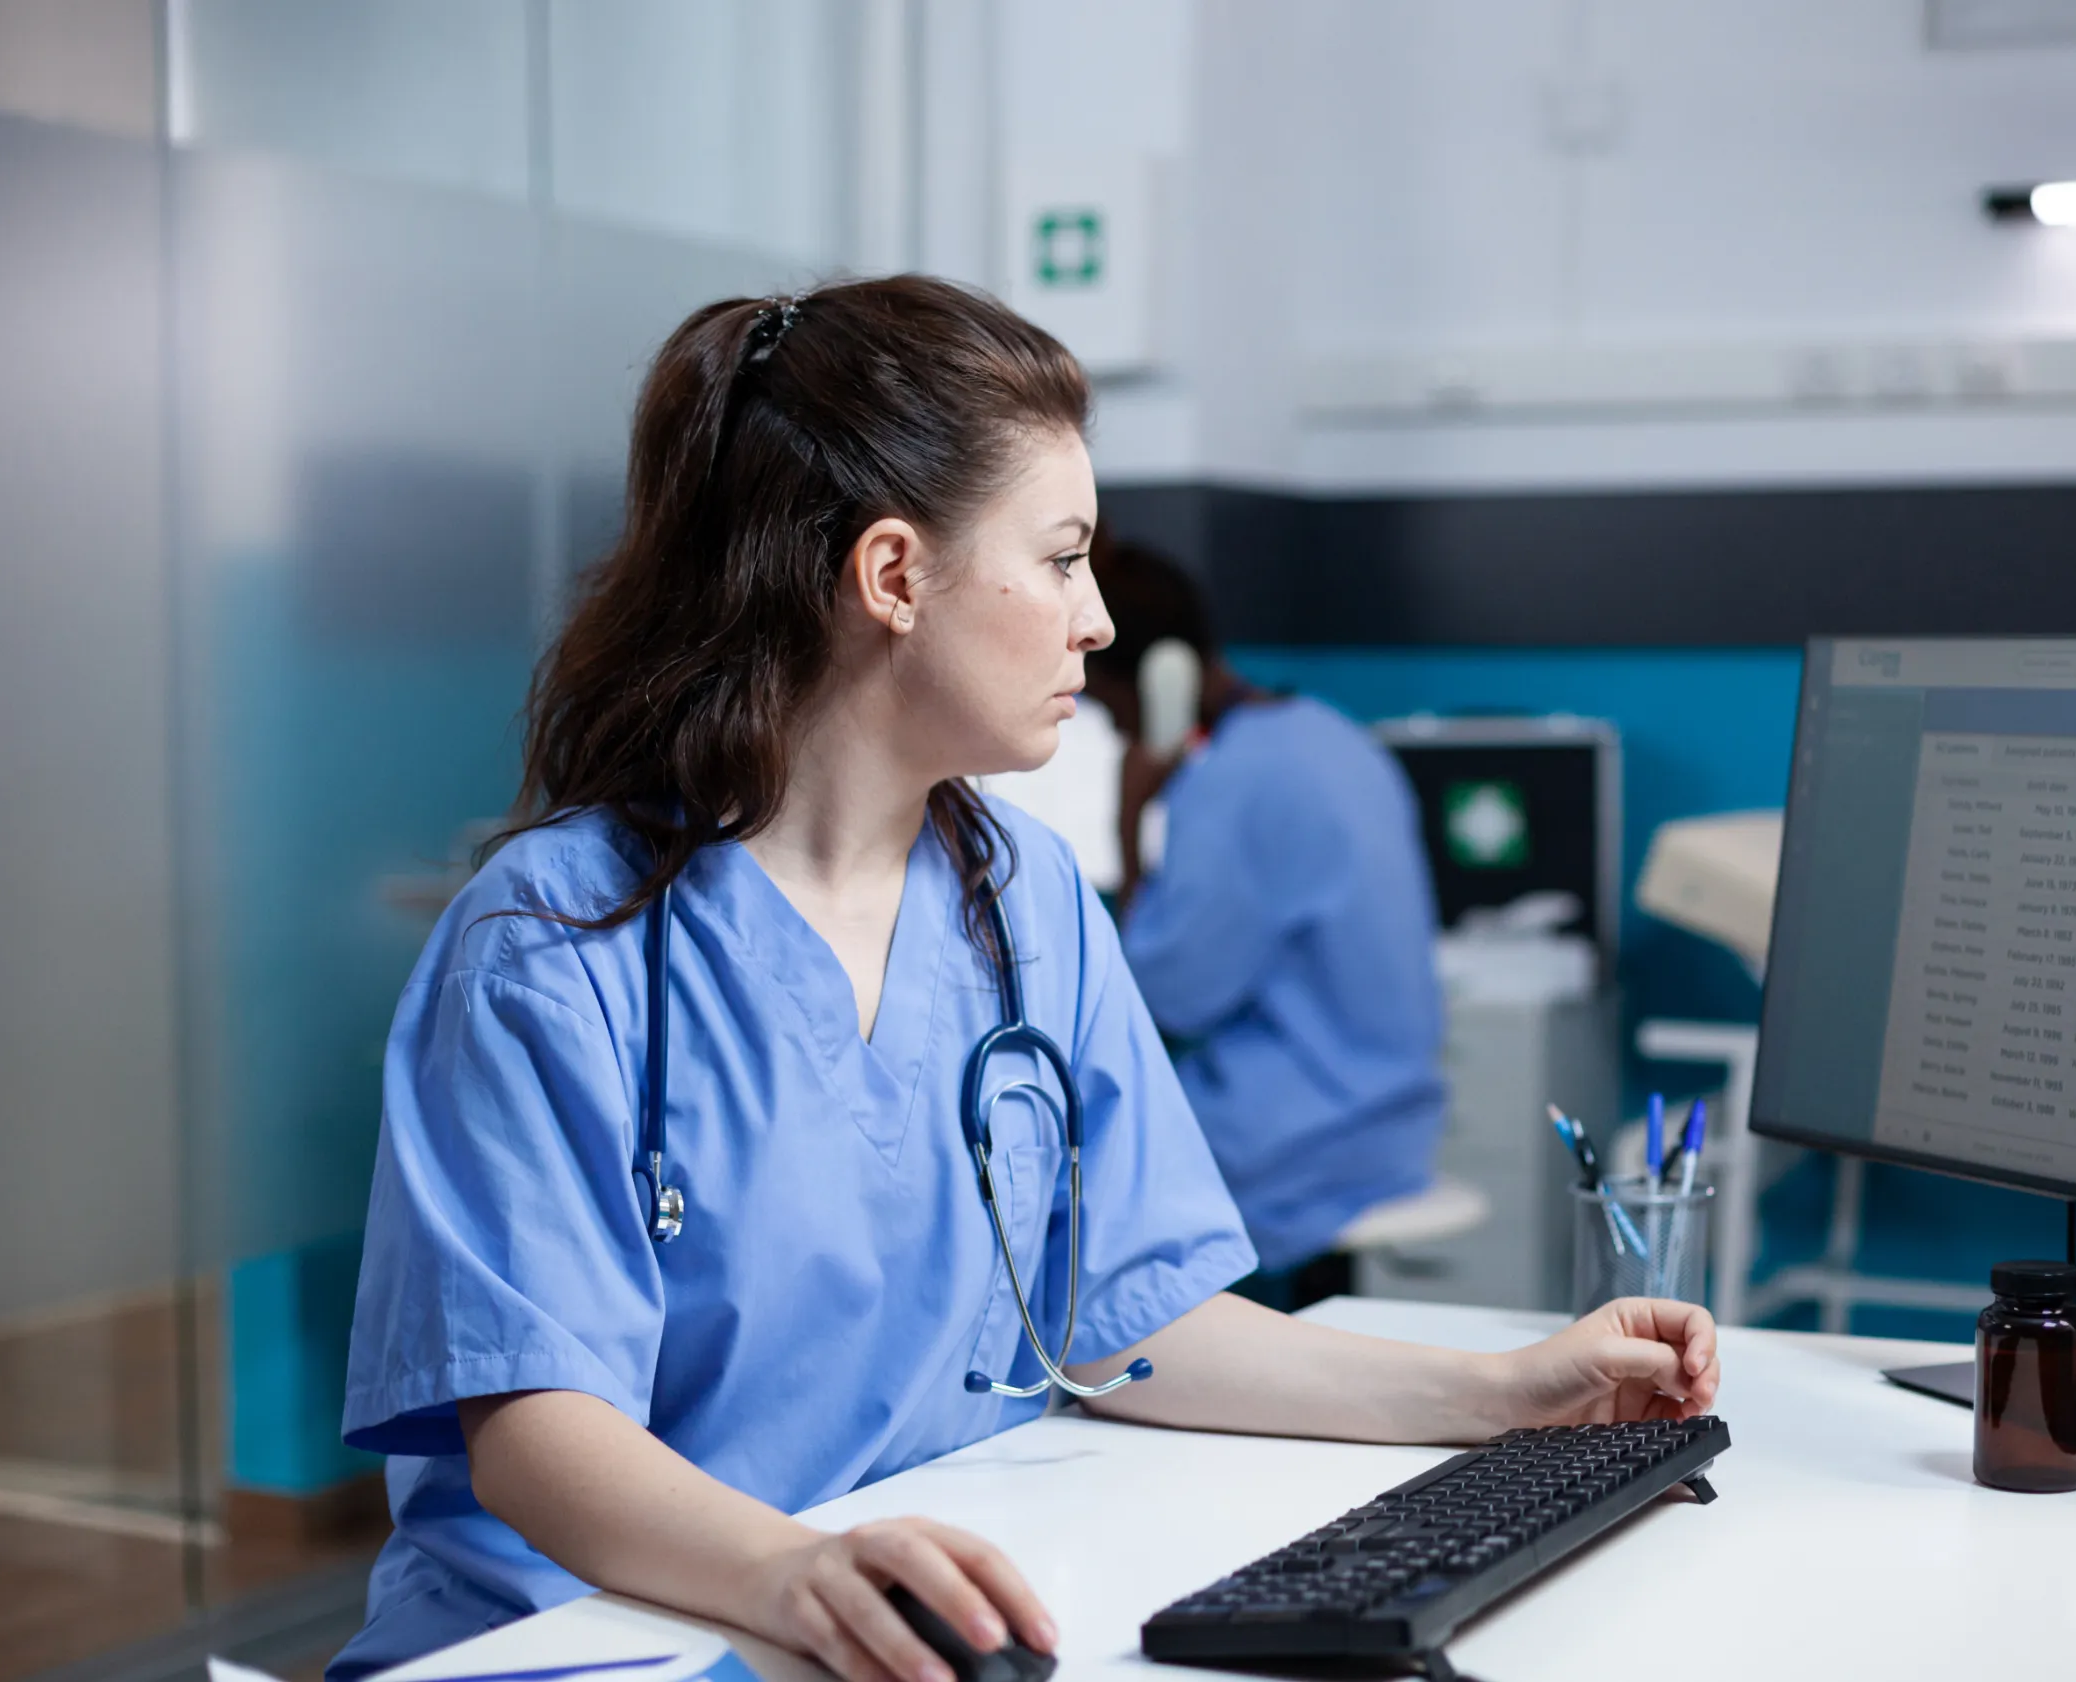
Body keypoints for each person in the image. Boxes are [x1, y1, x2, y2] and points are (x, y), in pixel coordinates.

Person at [331, 276, 1719, 1682]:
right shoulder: (558, 936)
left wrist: (1499, 1394)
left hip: (901, 1612)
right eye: (1062, 558)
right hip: (596, 1634)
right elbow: (533, 1434)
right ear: (893, 576)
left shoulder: (1022, 900)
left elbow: (1132, 1320)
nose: (1100, 619)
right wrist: (796, 1573)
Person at [1083, 535, 1445, 1305]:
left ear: (1157, 681)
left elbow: (1169, 994)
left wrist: (1128, 824)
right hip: (1389, 1124)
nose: (1111, 729)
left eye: (1106, 705)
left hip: (1300, 1147)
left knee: (1075, 1174)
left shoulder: (1236, 784)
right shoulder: (1332, 735)